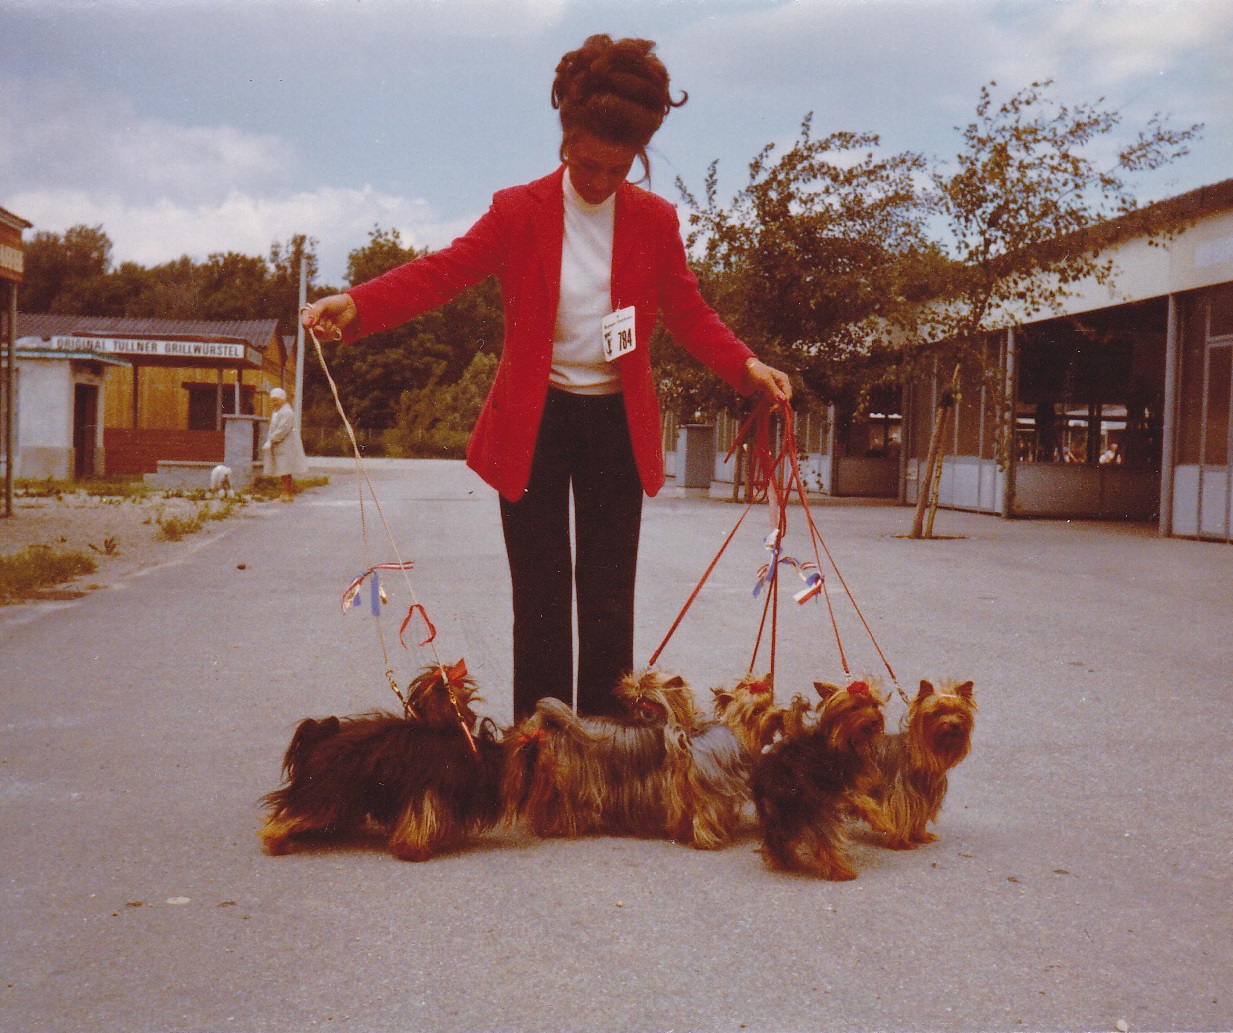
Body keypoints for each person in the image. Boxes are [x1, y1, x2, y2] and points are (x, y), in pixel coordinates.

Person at [302, 34, 792, 719]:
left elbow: (687, 310)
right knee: (538, 590)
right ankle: (542, 748)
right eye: (584, 162)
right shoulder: (519, 211)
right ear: (564, 136)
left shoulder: (654, 221)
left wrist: (746, 364)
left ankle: (602, 744)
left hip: (614, 423)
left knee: (608, 589)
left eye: (615, 170)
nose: (596, 180)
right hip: (534, 419)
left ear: (635, 159)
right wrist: (355, 305)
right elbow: (441, 272)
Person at [262, 387, 308, 501]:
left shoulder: (287, 412)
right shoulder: (277, 412)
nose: (274, 403)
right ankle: (285, 493)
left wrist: (271, 440)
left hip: (286, 446)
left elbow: (282, 429)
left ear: (283, 399)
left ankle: (287, 493)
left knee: (285, 470)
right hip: (280, 445)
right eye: (273, 400)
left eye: (276, 400)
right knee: (283, 471)